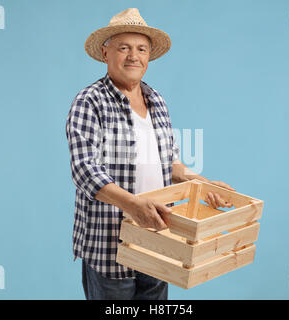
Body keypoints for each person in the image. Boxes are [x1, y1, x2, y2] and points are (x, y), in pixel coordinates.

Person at [66, 8, 235, 300]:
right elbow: (85, 170)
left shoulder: (156, 100)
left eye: (141, 49)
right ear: (106, 54)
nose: (134, 56)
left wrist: (204, 184)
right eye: (124, 48)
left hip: (159, 239)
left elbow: (171, 163)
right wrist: (134, 205)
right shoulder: (89, 100)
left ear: (148, 57)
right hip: (110, 245)